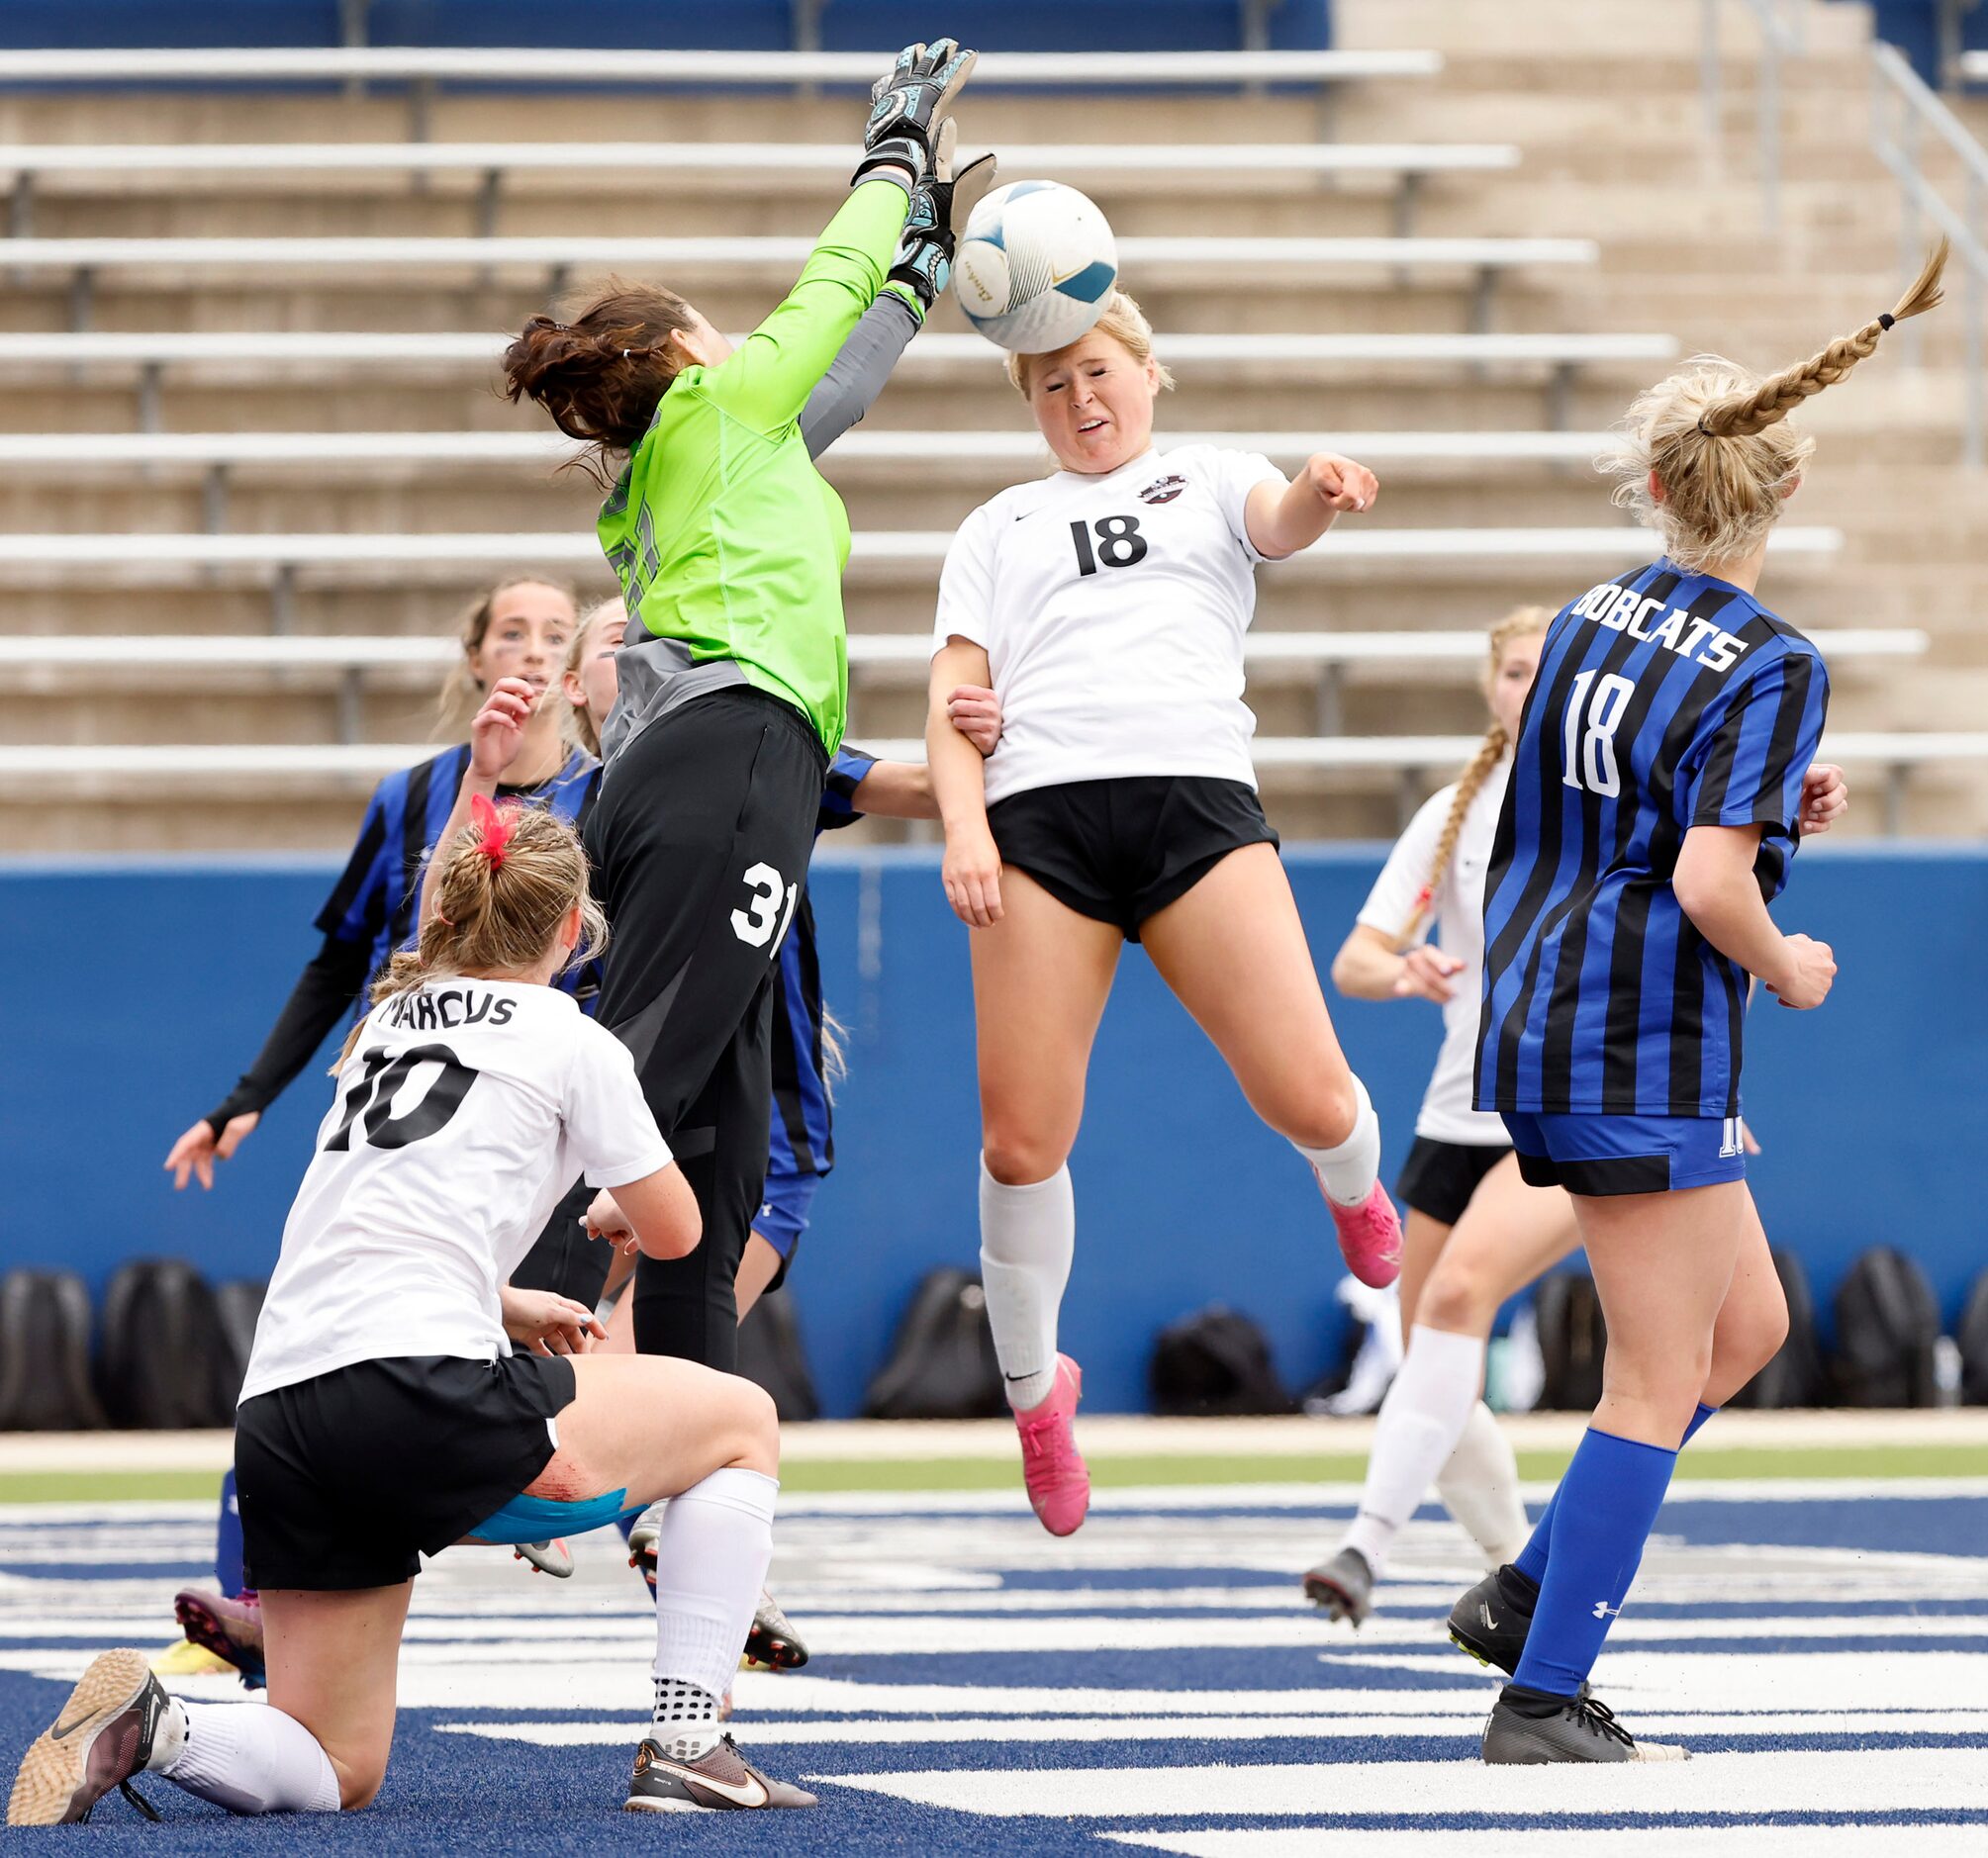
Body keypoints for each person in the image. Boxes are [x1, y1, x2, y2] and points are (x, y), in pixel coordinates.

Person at [8, 802, 818, 1825]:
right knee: (740, 1420)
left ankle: (159, 1724)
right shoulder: (569, 1038)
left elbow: (383, 1219)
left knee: (337, 1764)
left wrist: (504, 1299)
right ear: (573, 927)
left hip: (282, 1413)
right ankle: (691, 1744)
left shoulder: (381, 1025)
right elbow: (676, 1233)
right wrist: (616, 1199)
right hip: (419, 1395)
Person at [1448, 243, 1945, 1765]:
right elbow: (1711, 887)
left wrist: (1765, 810)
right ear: (1773, 497)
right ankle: (1539, 1693)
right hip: (1638, 1028)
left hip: (1550, 999)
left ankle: (1527, 1586)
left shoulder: (1594, 608)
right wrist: (1786, 955)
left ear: (1659, 491)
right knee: (1660, 1372)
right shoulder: (1772, 653)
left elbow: (1617, 801)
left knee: (1749, 1324)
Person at [501, 40, 984, 1392]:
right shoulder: (714, 409)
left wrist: (920, 277)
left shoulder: (688, 457)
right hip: (736, 757)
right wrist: (893, 156)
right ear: (679, 355)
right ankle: (466, 1344)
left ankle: (685, 1468)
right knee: (639, 1090)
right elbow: (823, 301)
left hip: (686, 769)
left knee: (716, 1175)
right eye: (711, 335)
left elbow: (836, 388)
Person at [925, 289, 1405, 1537]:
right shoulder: (999, 522)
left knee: (1306, 1093)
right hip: (1042, 827)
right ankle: (1036, 1395)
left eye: (1096, 374)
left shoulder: (1207, 475)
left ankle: (1351, 1183)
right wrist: (967, 830)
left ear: (1145, 370)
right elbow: (951, 693)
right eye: (1048, 385)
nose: (1079, 402)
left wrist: (1320, 487)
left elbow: (1279, 524)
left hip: (1195, 810)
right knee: (1019, 1142)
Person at [1303, 614, 1849, 1626]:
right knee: (1442, 1370)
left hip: (1565, 1097)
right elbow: (1354, 958)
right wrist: (1401, 968)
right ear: (1486, 687)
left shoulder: (1606, 788)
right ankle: (1518, 1566)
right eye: (1508, 670)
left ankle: (1364, 1549)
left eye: (1536, 670)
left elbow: (1702, 867)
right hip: (1457, 1107)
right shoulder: (1461, 811)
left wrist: (1787, 812)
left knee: (1473, 1305)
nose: (1523, 688)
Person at [155, 576, 593, 1680]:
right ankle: (261, 1600)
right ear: (472, 654)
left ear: (583, 666)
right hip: (412, 1117)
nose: (531, 653)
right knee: (327, 1340)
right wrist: (245, 1095)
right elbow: (345, 957)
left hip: (531, 1129)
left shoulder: (615, 792)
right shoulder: (416, 797)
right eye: (511, 631)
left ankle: (653, 1545)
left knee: (549, 1354)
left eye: (555, 634)